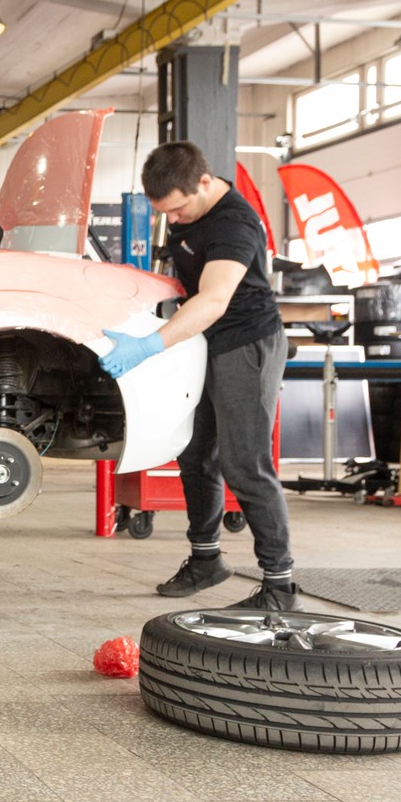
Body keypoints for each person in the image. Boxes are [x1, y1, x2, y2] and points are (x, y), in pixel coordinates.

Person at [99, 141, 297, 610]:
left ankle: (280, 586)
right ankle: (206, 559)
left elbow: (213, 299)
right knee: (195, 454)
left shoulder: (234, 223)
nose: (174, 220)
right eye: (166, 213)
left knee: (245, 465)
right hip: (207, 343)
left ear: (205, 182)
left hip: (247, 345)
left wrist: (150, 345)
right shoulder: (187, 207)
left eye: (179, 210)